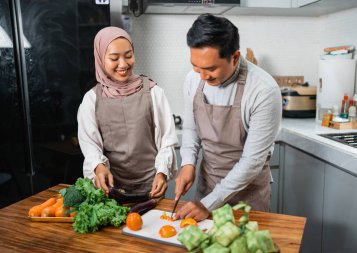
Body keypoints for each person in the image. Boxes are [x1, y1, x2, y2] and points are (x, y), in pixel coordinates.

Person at [174, 14, 282, 221]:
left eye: (211, 69)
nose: (202, 76)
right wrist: (187, 163)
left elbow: (252, 161)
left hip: (248, 197)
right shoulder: (192, 79)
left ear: (234, 57)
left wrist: (209, 204)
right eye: (196, 66)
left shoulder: (263, 90)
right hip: (207, 188)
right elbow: (191, 128)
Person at [77, 27, 178, 198]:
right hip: (110, 190)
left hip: (152, 187)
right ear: (101, 58)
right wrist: (98, 166)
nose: (123, 64)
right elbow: (90, 145)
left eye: (129, 55)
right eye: (114, 58)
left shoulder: (153, 92)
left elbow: (167, 141)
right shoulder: (91, 99)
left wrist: (162, 172)